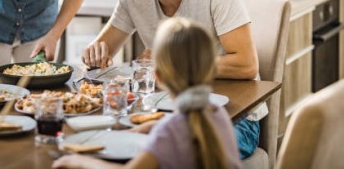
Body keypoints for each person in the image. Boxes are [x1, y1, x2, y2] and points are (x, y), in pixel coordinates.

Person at [81, 0, 265, 159]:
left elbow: (246, 65)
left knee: (160, 156)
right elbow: (102, 50)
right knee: (107, 144)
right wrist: (94, 53)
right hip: (171, 114)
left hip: (233, 118)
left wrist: (172, 64)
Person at [53, 17, 242, 169]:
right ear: (210, 68)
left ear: (157, 76)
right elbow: (186, 125)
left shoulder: (168, 132)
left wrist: (80, 162)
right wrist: (156, 123)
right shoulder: (217, 113)